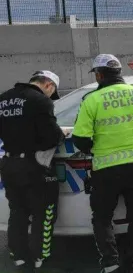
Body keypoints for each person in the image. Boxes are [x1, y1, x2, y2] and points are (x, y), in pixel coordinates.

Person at [71, 54, 133, 273]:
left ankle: (111, 262)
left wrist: (95, 149)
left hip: (105, 170)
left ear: (99, 74)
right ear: (119, 73)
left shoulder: (92, 100)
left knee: (103, 217)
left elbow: (80, 139)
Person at [0, 71, 65, 270]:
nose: (50, 96)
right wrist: (61, 134)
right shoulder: (40, 101)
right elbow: (52, 138)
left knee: (17, 211)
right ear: (48, 85)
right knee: (43, 213)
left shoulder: (3, 99)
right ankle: (40, 256)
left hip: (9, 163)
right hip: (34, 165)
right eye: (52, 92)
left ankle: (17, 255)